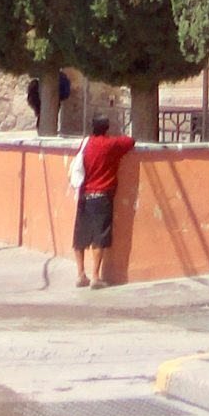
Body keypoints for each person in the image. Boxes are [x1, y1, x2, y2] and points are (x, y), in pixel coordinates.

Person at [70, 115, 135, 288]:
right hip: (102, 196)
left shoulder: (86, 143)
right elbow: (130, 141)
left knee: (81, 236)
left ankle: (80, 274)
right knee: (100, 236)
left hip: (84, 195)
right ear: (107, 128)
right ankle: (95, 277)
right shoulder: (112, 145)